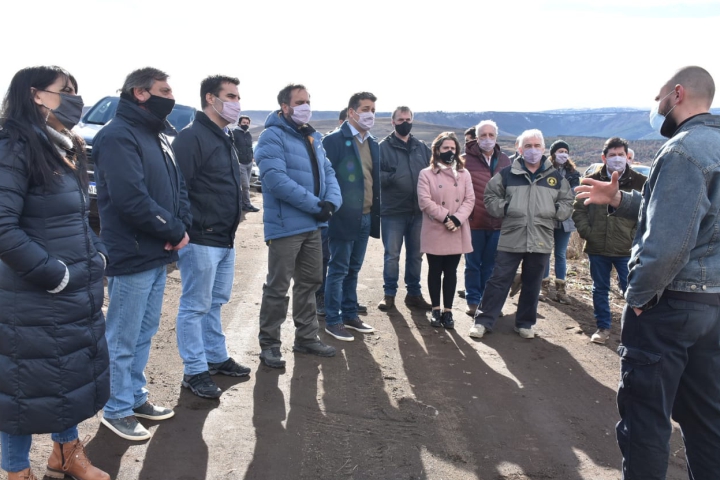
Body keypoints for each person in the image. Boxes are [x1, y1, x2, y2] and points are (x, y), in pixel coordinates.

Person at [576, 66, 720, 478]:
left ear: (677, 95)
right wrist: (620, 198)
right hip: (713, 306)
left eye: (659, 98)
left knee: (646, 423)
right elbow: (693, 218)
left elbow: (669, 243)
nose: (656, 108)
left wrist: (637, 297)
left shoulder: (682, 151)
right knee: (707, 422)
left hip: (670, 306)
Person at [0, 66, 110, 480]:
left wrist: (95, 256)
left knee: (65, 378)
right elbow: (2, 227)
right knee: (20, 390)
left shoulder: (65, 145)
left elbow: (77, 218)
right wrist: (54, 274)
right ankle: (16, 471)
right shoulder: (14, 146)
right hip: (30, 295)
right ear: (35, 95)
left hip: (71, 291)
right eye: (65, 91)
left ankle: (66, 454)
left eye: (76, 91)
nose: (74, 99)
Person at [93, 67, 191, 441]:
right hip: (132, 251)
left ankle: (134, 397)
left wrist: (181, 226)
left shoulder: (158, 135)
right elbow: (130, 198)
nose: (171, 95)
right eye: (164, 89)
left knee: (144, 332)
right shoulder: (117, 135)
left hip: (157, 250)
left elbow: (177, 188)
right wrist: (173, 230)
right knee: (122, 336)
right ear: (140, 93)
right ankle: (115, 409)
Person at [172, 75, 251, 398]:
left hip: (224, 238)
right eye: (230, 96)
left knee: (215, 302)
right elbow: (178, 188)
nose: (236, 102)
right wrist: (184, 230)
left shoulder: (224, 136)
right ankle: (194, 370)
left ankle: (215, 357)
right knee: (195, 306)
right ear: (210, 99)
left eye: (237, 96)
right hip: (201, 238)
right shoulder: (192, 137)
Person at [255, 84, 341, 368]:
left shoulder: (312, 136)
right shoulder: (272, 136)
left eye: (308, 101)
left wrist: (331, 202)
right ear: (285, 107)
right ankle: (270, 344)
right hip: (286, 226)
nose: (306, 106)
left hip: (313, 225)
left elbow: (328, 172)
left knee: (310, 283)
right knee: (278, 287)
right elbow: (276, 180)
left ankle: (306, 337)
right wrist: (317, 206)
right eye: (300, 102)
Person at [469, 129, 574, 339]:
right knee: (499, 279)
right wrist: (506, 208)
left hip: (541, 238)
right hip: (511, 236)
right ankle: (483, 320)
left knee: (533, 281)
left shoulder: (554, 177)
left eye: (536, 146)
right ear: (520, 149)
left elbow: (568, 202)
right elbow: (490, 197)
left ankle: (525, 323)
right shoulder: (507, 174)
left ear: (543, 149)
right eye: (528, 146)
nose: (533, 150)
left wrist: (554, 212)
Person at [572, 137, 646, 345]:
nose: (617, 159)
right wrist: (588, 232)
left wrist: (635, 238)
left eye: (621, 155)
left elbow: (648, 213)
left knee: (631, 290)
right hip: (598, 246)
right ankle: (603, 327)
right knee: (599, 288)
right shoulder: (592, 179)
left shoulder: (640, 182)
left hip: (627, 248)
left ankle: (633, 332)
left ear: (628, 156)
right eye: (612, 155)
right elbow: (578, 209)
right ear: (604, 157)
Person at [322, 92, 380, 341]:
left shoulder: (372, 143)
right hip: (343, 216)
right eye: (365, 109)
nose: (371, 114)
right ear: (351, 112)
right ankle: (332, 320)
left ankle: (349, 314)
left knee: (354, 269)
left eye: (373, 109)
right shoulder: (334, 141)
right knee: (338, 269)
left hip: (365, 216)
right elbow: (325, 179)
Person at [377, 106, 432, 311]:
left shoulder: (421, 147)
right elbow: (375, 176)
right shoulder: (382, 148)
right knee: (392, 255)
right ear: (393, 122)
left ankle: (414, 294)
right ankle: (389, 294)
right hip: (393, 211)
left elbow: (432, 173)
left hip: (418, 212)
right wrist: (394, 176)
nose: (404, 123)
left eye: (408, 119)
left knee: (416, 255)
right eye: (400, 119)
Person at [418, 132, 475, 328]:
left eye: (453, 149)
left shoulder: (464, 174)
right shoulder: (426, 173)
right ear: (437, 150)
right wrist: (446, 217)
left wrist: (457, 219)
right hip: (436, 227)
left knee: (451, 271)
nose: (449, 152)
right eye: (445, 148)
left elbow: (470, 199)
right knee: (434, 270)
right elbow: (424, 201)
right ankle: (435, 309)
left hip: (456, 228)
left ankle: (448, 311)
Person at [462, 120, 511, 316]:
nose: (487, 139)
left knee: (491, 265)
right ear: (476, 137)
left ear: (496, 137)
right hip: (474, 221)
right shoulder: (465, 160)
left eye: (491, 135)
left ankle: (487, 301)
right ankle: (473, 299)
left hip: (498, 223)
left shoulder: (505, 160)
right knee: (473, 264)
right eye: (483, 135)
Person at [539, 140, 580, 304]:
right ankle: (543, 286)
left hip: (565, 219)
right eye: (560, 151)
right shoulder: (545, 169)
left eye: (565, 151)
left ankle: (561, 290)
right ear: (553, 153)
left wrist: (557, 196)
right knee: (545, 252)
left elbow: (573, 194)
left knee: (561, 254)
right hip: (547, 218)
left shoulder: (573, 173)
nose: (563, 154)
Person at [234, 114, 260, 212]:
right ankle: (247, 205)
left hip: (249, 162)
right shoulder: (235, 133)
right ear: (239, 123)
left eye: (247, 123)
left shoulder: (248, 134)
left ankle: (242, 204)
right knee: (245, 186)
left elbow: (249, 147)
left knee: (246, 184)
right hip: (240, 163)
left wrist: (252, 157)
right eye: (244, 122)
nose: (246, 124)